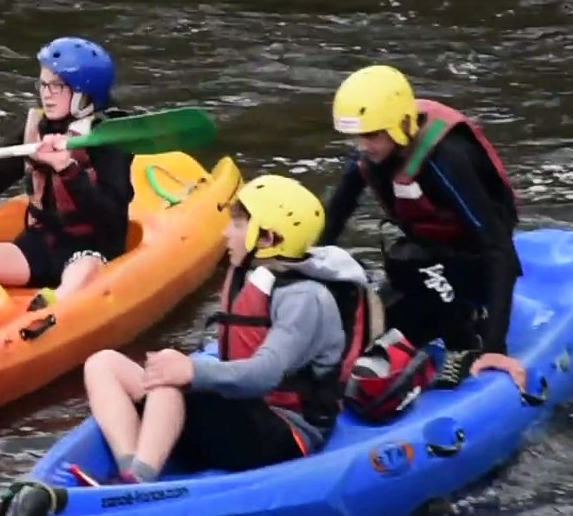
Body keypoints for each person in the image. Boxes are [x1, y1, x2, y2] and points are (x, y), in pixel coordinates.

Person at [79, 176, 374, 484]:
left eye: (236, 225)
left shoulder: (305, 298)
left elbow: (264, 375)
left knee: (172, 374)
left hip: (285, 432)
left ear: (267, 238)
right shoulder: (253, 275)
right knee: (102, 364)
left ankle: (138, 482)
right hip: (242, 414)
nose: (225, 232)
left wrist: (191, 371)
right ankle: (130, 465)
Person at [320, 64, 527, 412]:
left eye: (371, 136)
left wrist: (496, 345)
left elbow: (498, 249)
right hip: (431, 269)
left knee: (408, 257)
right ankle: (447, 317)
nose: (363, 146)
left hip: (472, 268)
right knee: (364, 325)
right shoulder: (373, 153)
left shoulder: (445, 160)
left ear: (399, 127)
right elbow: (337, 214)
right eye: (358, 136)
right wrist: (299, 263)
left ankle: (465, 341)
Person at [0, 36, 135, 312]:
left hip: (92, 249)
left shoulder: (110, 140)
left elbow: (110, 218)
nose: (46, 93)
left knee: (83, 269)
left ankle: (50, 312)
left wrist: (67, 169)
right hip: (42, 246)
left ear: (84, 94)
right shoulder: (39, 127)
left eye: (57, 85)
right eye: (43, 84)